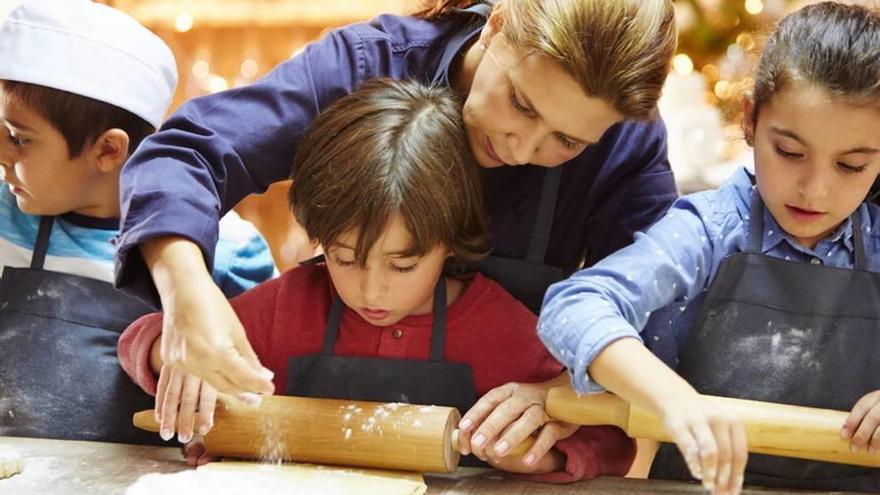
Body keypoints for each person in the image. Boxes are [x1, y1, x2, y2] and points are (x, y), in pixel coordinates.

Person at [112, 0, 679, 410]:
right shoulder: (366, 65)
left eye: (567, 142)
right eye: (522, 104)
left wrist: (560, 400)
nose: (521, 148)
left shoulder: (625, 143)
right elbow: (186, 155)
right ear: (498, 24)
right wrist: (187, 293)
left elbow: (660, 306)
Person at [119, 78, 636, 481]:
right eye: (344, 258)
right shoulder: (289, 307)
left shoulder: (502, 331)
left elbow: (612, 438)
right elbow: (137, 341)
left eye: (403, 264)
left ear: (451, 240)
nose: (372, 291)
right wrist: (175, 353)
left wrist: (547, 456)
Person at [537, 2, 880, 493]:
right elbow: (573, 306)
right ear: (750, 121)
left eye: (852, 166)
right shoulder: (710, 231)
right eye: (789, 152)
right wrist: (675, 400)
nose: (814, 190)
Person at [0, 0, 276, 444]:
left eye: (18, 138)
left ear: (108, 151)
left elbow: (259, 390)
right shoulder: (3, 218)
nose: (2, 154)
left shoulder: (228, 251)